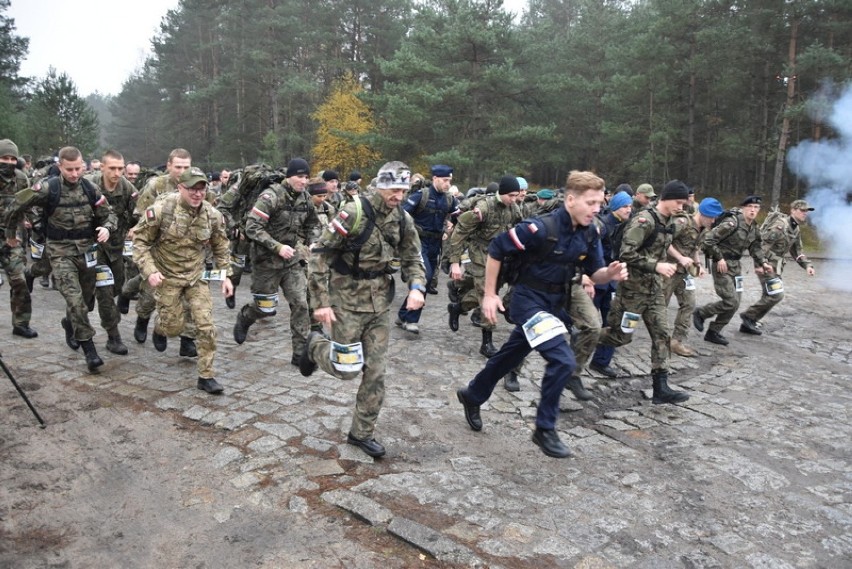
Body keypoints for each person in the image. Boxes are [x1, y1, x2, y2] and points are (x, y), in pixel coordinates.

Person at [456, 170, 627, 458]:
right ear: (571, 199)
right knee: (562, 360)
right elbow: (497, 249)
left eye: (600, 202)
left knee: (510, 355)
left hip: (555, 302)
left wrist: (608, 273)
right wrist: (489, 294)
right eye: (591, 202)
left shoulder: (592, 231)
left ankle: (472, 395)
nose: (597, 208)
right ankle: (544, 428)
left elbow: (594, 273)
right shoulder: (538, 227)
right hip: (528, 299)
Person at [299, 161, 427, 458]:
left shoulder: (403, 219)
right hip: (346, 301)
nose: (399, 195)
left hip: (380, 303)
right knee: (346, 369)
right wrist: (321, 302)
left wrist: (417, 287)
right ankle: (315, 346)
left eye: (404, 189)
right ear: (380, 185)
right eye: (394, 189)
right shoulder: (353, 212)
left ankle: (361, 433)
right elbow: (319, 254)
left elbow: (413, 257)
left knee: (376, 372)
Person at [5, 146, 116, 371]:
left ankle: (70, 324)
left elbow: (109, 213)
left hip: (86, 251)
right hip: (59, 251)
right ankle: (90, 350)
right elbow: (17, 204)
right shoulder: (48, 188)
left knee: (85, 301)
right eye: (69, 170)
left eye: (78, 169)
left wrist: (106, 228)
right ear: (60, 167)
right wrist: (11, 233)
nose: (75, 174)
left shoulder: (90, 187)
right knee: (75, 301)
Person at [132, 168, 233, 394]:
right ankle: (160, 328)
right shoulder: (161, 210)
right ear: (180, 188)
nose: (197, 194)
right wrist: (150, 271)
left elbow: (221, 245)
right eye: (192, 189)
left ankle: (206, 376)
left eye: (202, 189)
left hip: (196, 277)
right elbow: (139, 243)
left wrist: (226, 275)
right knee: (174, 326)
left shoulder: (212, 215)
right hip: (166, 277)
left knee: (205, 325)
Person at [597, 180, 692, 405]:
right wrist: (656, 265)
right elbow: (626, 253)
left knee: (662, 335)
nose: (682, 207)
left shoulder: (667, 221)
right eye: (679, 202)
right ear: (667, 199)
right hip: (633, 291)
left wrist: (679, 258)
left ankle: (661, 388)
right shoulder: (643, 221)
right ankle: (585, 335)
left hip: (655, 290)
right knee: (620, 336)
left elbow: (664, 242)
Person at [233, 158, 319, 365]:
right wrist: (277, 247)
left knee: (300, 303)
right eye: (300, 176)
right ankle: (245, 317)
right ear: (289, 177)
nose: (304, 181)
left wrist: (312, 241)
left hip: (291, 262)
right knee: (265, 308)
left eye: (307, 177)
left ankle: (299, 353)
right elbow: (252, 227)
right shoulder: (271, 196)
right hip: (266, 262)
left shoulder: (305, 199)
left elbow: (313, 224)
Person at [125, 149, 193, 347]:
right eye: (178, 166)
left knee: (187, 296)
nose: (182, 171)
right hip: (158, 248)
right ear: (169, 165)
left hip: (185, 251)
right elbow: (141, 214)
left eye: (186, 167)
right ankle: (142, 319)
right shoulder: (157, 185)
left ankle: (187, 340)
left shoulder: (196, 184)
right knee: (150, 294)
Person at [447, 176, 520, 357]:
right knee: (487, 296)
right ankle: (486, 342)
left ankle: (458, 308)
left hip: (501, 258)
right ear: (501, 193)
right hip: (481, 257)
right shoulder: (484, 208)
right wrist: (454, 262)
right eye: (511, 195)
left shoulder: (514, 208)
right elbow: (459, 233)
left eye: (516, 196)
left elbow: (520, 229)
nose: (514, 199)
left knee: (480, 295)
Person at [694, 195, 773, 345]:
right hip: (721, 265)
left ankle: (714, 332)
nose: (753, 210)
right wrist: (719, 258)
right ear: (743, 208)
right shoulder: (732, 223)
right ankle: (701, 312)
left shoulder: (754, 228)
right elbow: (708, 241)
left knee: (736, 303)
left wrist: (763, 263)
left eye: (756, 208)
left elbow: (755, 248)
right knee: (730, 301)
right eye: (750, 207)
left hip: (736, 266)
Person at [85, 150, 138, 355]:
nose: (117, 173)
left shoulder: (128, 188)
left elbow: (139, 212)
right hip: (93, 246)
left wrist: (135, 228)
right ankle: (113, 336)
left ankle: (72, 318)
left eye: (120, 168)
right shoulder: (89, 185)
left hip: (116, 248)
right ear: (103, 168)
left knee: (116, 288)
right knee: (105, 292)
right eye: (112, 168)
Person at [395, 164, 459, 334]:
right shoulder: (420, 196)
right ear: (435, 179)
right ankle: (411, 320)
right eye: (445, 180)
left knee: (428, 281)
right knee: (424, 276)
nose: (447, 184)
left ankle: (403, 314)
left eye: (450, 181)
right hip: (418, 242)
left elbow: (459, 216)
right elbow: (402, 215)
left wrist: (452, 224)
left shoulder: (449, 199)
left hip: (435, 245)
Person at [738, 199, 815, 335]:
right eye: (802, 210)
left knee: (769, 294)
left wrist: (807, 265)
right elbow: (761, 246)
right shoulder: (780, 226)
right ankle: (749, 316)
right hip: (766, 265)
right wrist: (761, 264)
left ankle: (749, 322)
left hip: (776, 267)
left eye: (806, 211)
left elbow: (797, 252)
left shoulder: (795, 228)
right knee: (776, 295)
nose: (805, 214)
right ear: (793, 210)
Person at [664, 197, 724, 357]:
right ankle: (657, 341)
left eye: (715, 217)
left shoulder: (703, 228)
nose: (714, 220)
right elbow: (664, 241)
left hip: (684, 274)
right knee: (658, 306)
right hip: (668, 270)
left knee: (689, 304)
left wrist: (697, 263)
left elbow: (694, 246)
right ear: (702, 213)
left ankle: (676, 342)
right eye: (711, 217)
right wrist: (680, 258)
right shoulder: (682, 223)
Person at [588, 190, 632, 377]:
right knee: (585, 323)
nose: (629, 210)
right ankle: (570, 365)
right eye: (624, 206)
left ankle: (601, 361)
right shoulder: (603, 224)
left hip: (613, 282)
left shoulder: (629, 225)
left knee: (613, 320)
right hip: (597, 279)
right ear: (615, 207)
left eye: (630, 206)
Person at [0, 139, 37, 338]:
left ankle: (21, 323)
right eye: (4, 158)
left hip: (13, 239)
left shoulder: (22, 179)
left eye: (13, 159)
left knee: (19, 281)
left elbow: (30, 204)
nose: (9, 162)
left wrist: (31, 221)